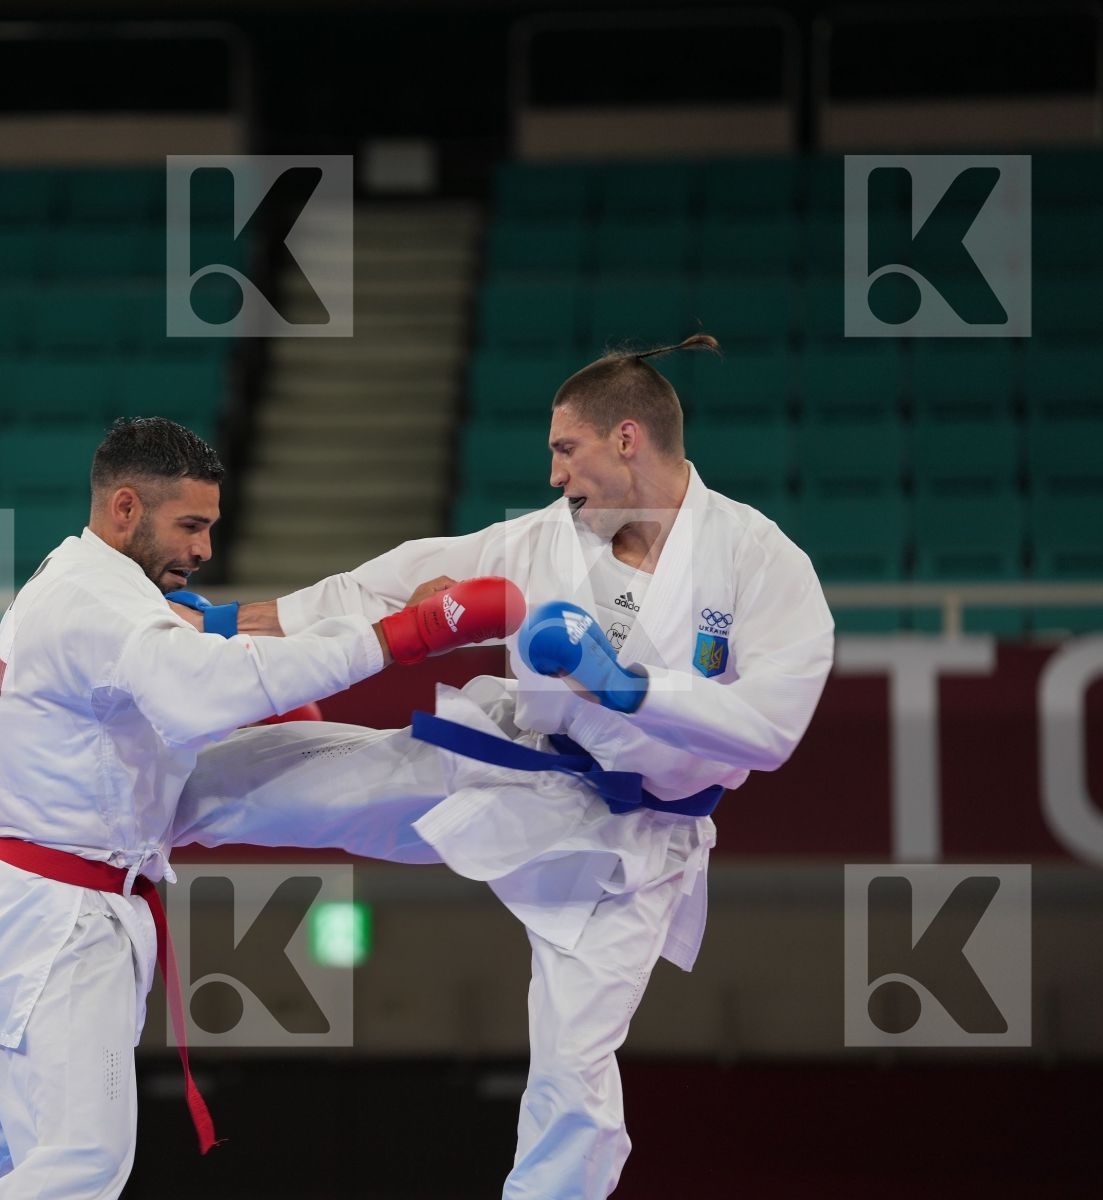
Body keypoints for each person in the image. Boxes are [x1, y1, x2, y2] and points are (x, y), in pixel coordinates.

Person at [166, 335, 837, 1199]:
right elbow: (383, 586)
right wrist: (235, 625)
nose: (556, 474)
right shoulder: (542, 544)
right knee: (307, 782)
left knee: (572, 1068)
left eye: (567, 449)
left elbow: (772, 728)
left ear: (626, 438)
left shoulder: (758, 559)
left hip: (633, 844)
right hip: (521, 762)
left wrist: (629, 686)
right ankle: (76, 811)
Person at [0, 417, 522, 1200]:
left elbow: (195, 653)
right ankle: (511, 786)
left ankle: (496, 783)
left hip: (38, 906)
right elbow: (207, 685)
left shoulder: (83, 582)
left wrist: (260, 654)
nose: (205, 548)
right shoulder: (99, 603)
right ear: (126, 509)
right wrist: (399, 635)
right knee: (76, 1164)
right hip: (60, 917)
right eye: (191, 526)